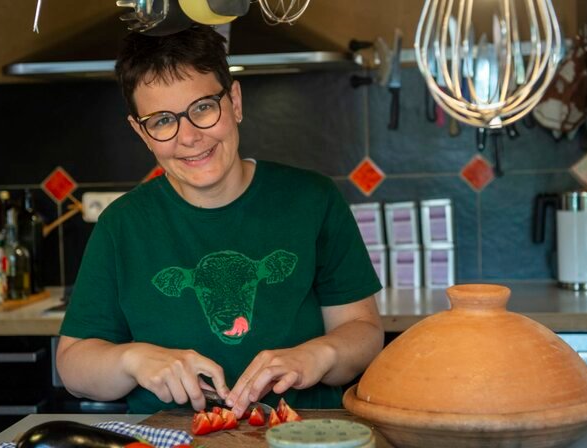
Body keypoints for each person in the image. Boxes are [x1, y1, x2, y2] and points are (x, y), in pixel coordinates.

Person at [56, 24, 384, 419]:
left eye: (203, 108)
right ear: (141, 133)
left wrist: (319, 354)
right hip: (172, 441)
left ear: (235, 102)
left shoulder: (313, 200)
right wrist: (132, 359)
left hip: (301, 436)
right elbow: (73, 365)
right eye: (162, 121)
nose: (189, 137)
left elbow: (364, 331)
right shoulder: (121, 225)